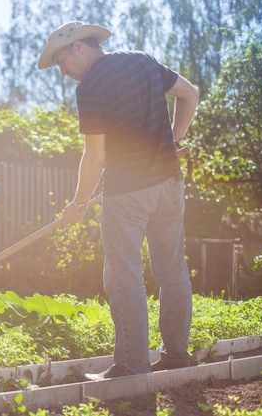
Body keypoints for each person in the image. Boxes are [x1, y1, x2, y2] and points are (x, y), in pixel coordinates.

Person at [37, 21, 200, 380]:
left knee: (123, 277)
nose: (62, 72)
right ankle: (176, 355)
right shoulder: (143, 60)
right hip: (169, 185)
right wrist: (172, 142)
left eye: (62, 61)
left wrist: (78, 204)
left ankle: (130, 365)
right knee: (172, 270)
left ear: (79, 47)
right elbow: (190, 94)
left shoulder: (92, 87)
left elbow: (95, 157)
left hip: (127, 192)